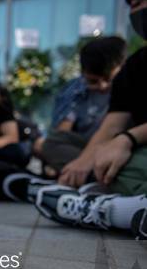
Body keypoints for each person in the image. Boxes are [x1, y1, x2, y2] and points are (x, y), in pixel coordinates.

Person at [5, 0, 147, 239]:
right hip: (124, 153)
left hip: (133, 150)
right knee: (64, 146)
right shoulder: (134, 68)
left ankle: (112, 207)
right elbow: (110, 126)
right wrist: (85, 160)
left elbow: (118, 134)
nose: (138, 10)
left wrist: (128, 139)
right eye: (132, 4)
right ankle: (116, 199)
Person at [36, 37, 127, 176]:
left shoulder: (128, 85)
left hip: (118, 145)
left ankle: (88, 174)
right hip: (86, 146)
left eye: (108, 80)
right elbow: (63, 130)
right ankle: (94, 173)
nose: (102, 86)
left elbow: (114, 128)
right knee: (48, 143)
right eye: (93, 81)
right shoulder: (75, 89)